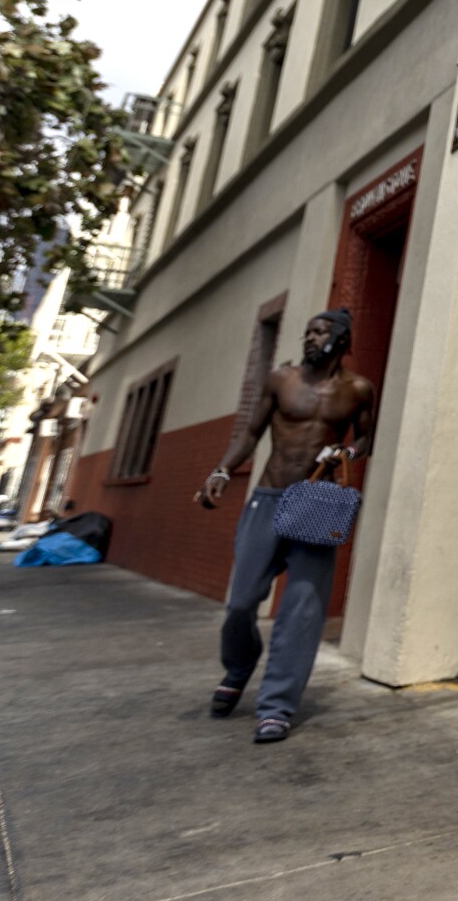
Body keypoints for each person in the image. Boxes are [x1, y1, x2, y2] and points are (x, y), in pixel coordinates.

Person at [192, 308, 375, 744]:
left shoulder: (359, 390)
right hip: (270, 498)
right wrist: (220, 472)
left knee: (302, 610)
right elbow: (249, 434)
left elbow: (366, 436)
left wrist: (346, 455)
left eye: (319, 332)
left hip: (316, 503)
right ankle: (239, 665)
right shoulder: (282, 380)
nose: (309, 338)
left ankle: (276, 706)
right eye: (307, 332)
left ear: (342, 340)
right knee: (242, 600)